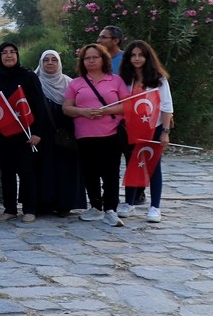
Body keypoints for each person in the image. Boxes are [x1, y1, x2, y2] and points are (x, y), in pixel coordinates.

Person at [65, 43, 131, 227]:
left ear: (103, 59)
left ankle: (110, 209)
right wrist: (83, 112)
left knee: (111, 173)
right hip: (85, 135)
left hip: (110, 134)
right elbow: (67, 107)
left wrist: (105, 111)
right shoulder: (76, 83)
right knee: (90, 173)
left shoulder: (115, 80)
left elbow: (127, 105)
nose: (91, 61)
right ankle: (95, 206)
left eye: (95, 57)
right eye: (87, 58)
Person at [0, 42, 47, 223]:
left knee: (27, 172)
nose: (9, 56)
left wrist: (37, 133)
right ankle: (10, 208)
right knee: (6, 173)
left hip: (26, 133)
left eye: (12, 52)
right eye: (4, 53)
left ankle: (30, 208)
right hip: (2, 134)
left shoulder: (28, 76)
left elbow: (39, 105)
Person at [118, 40, 173, 223]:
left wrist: (165, 132)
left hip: (154, 128)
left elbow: (166, 107)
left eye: (141, 55)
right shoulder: (124, 79)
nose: (137, 58)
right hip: (131, 128)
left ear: (147, 57)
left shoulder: (159, 79)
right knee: (132, 162)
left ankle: (155, 207)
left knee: (153, 165)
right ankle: (129, 202)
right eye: (133, 55)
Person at [34, 50, 84, 216]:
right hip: (42, 134)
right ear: (41, 63)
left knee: (65, 169)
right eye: (46, 60)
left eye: (54, 60)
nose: (50, 63)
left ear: (59, 63)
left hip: (65, 134)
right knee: (44, 169)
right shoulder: (35, 82)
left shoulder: (70, 83)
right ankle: (44, 203)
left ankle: (65, 204)